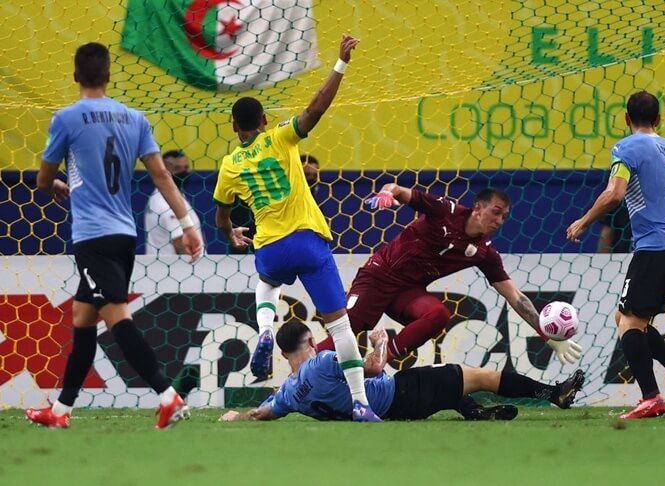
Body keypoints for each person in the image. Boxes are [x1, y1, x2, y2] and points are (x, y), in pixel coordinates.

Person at [26, 43, 203, 429]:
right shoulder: (134, 119)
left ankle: (167, 395)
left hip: (92, 238)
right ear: (109, 77)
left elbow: (42, 179)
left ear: (75, 77)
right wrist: (188, 223)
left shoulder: (66, 119)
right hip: (124, 237)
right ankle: (60, 411)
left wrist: (55, 183)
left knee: (117, 319)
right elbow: (161, 176)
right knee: (83, 318)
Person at [212, 35, 380, 422]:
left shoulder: (229, 166)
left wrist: (232, 233)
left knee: (267, 284)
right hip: (307, 241)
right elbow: (315, 109)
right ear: (265, 121)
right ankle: (360, 403)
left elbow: (221, 214)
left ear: (235, 126)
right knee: (340, 328)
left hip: (270, 247)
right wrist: (340, 64)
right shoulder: (281, 136)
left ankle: (266, 329)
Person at [311, 185, 583, 368]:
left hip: (408, 291)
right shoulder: (445, 211)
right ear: (478, 208)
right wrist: (385, 193)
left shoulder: (485, 253)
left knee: (439, 314)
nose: (499, 221)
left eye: (505, 217)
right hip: (379, 275)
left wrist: (548, 336)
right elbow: (398, 191)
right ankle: (302, 367)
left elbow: (515, 296)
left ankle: (382, 357)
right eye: (495, 212)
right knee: (349, 328)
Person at [566, 91, 665, 419]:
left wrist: (584, 220)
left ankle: (651, 396)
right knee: (629, 318)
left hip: (654, 249)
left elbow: (614, 194)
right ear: (659, 119)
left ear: (625, 118)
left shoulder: (627, 147)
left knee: (630, 321)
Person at [218, 322, 585, 422]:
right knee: (480, 374)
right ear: (311, 340)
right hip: (399, 395)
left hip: (397, 407)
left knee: (447, 384)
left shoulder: (287, 394)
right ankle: (553, 394)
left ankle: (474, 411)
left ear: (283, 353)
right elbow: (375, 366)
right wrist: (379, 339)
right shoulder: (323, 361)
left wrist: (236, 416)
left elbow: (263, 413)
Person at [144, 149, 205, 255]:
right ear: (165, 170)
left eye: (186, 167)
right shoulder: (167, 201)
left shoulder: (164, 196)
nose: (183, 172)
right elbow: (181, 244)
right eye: (177, 168)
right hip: (176, 268)